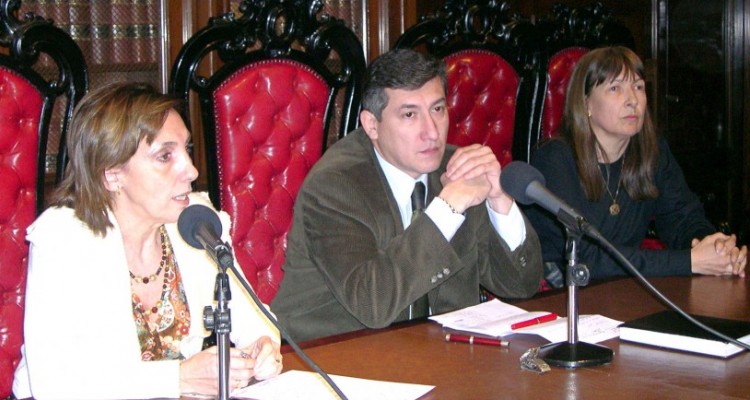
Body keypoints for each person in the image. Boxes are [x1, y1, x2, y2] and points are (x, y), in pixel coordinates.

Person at [12, 83, 282, 399]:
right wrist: (179, 378)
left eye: (187, 150)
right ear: (111, 174)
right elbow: (58, 383)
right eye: (165, 156)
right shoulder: (64, 240)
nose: (192, 170)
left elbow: (256, 324)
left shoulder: (195, 222)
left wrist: (262, 350)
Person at [270, 49, 543, 342]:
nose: (432, 133)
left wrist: (499, 200)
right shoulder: (335, 186)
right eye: (410, 115)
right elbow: (372, 303)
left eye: (438, 109)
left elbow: (519, 285)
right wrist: (447, 210)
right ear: (372, 125)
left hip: (441, 358)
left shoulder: (458, 170)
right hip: (336, 357)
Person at [526, 46, 747, 285]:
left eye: (638, 87)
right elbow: (586, 258)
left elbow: (683, 218)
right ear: (586, 103)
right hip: (555, 295)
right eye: (615, 88)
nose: (632, 100)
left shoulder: (652, 151)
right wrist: (691, 261)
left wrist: (716, 248)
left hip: (621, 290)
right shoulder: (555, 159)